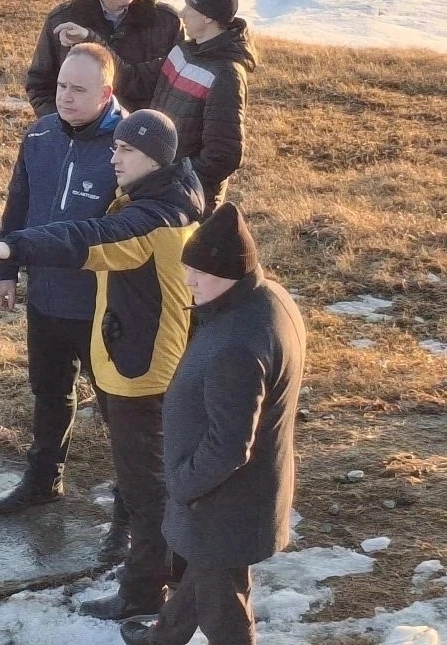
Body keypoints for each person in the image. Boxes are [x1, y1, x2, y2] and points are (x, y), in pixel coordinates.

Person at [0, 110, 204, 621]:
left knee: (145, 490)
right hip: (160, 359)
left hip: (141, 370)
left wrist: (13, 245)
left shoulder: (150, 220)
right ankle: (182, 572)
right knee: (163, 480)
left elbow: (86, 237)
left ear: (155, 158)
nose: (114, 158)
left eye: (126, 150)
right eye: (115, 147)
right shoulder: (173, 197)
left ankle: (142, 594)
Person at [120, 203, 307, 645]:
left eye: (199, 273)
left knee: (225, 610)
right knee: (205, 575)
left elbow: (229, 445)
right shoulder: (265, 299)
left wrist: (183, 485)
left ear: (230, 274)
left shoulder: (236, 346)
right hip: (237, 494)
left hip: (219, 499)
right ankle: (164, 638)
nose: (189, 281)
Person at [0, 42, 133, 564]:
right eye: (61, 86)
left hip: (106, 306)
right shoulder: (41, 134)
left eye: (78, 90)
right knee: (49, 391)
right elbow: (19, 204)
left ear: (107, 93)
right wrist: (8, 271)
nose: (65, 97)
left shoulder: (129, 143)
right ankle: (44, 479)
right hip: (47, 296)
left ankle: (131, 514)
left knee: (121, 412)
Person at [110, 0, 258, 217]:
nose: (182, 13)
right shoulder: (183, 51)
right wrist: (92, 45)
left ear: (208, 16)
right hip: (155, 186)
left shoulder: (227, 75)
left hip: (184, 201)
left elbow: (224, 154)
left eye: (190, 7)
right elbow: (136, 80)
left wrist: (176, 183)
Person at [25, 0, 182, 117]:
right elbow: (39, 84)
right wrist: (60, 124)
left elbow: (176, 90)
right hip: (77, 129)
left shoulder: (166, 22)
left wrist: (152, 128)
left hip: (141, 129)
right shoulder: (63, 20)